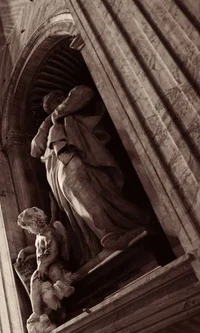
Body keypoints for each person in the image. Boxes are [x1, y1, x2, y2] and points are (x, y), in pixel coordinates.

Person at [32, 85, 148, 263]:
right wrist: (48, 122)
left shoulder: (72, 107)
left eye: (57, 100)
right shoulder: (50, 125)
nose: (55, 105)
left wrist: (58, 112)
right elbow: (35, 148)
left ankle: (112, 233)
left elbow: (85, 92)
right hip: (57, 165)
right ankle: (103, 238)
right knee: (74, 199)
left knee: (80, 187)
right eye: (50, 106)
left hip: (81, 154)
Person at [17, 207, 74, 333]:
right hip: (44, 269)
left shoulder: (49, 234)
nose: (29, 232)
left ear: (34, 223)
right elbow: (36, 248)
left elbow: (54, 252)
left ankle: (62, 288)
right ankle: (37, 312)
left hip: (53, 264)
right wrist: (24, 251)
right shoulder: (40, 236)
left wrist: (44, 264)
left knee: (54, 272)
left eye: (28, 228)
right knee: (35, 281)